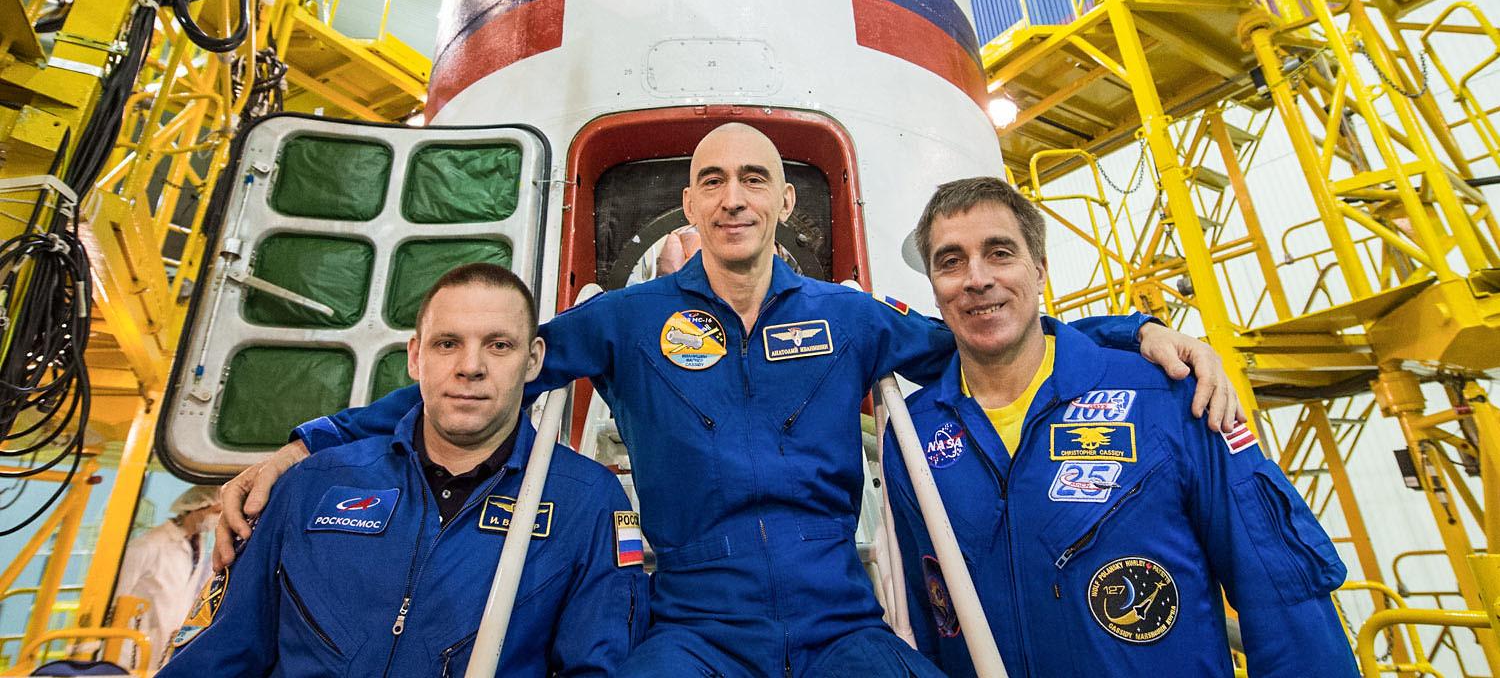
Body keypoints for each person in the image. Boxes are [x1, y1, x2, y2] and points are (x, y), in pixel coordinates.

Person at [214, 123, 1243, 678]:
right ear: (693, 202)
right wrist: (310, 444)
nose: (735, 195)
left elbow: (990, 332)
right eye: (714, 179)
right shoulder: (624, 321)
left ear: (785, 200)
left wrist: (1130, 332)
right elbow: (475, 385)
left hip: (841, 621)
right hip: (694, 625)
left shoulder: (849, 319)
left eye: (756, 177)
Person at [884, 177, 1357, 677]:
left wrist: (1137, 330)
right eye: (951, 261)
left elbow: (1282, 594)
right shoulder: (911, 436)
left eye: (1000, 253)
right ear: (935, 289)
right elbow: (926, 621)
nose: (976, 279)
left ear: (1040, 270)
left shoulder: (1171, 397)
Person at [159, 263, 647, 677]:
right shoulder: (313, 484)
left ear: (534, 360)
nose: (470, 367)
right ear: (416, 357)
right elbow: (217, 656)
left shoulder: (588, 503)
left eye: (498, 345)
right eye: (447, 344)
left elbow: (598, 664)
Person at [111, 485, 221, 673]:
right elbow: (119, 595)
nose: (218, 519)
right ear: (197, 508)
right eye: (217, 512)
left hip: (169, 640)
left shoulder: (198, 545)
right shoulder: (148, 545)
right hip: (133, 644)